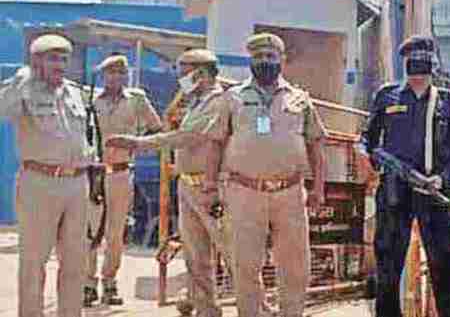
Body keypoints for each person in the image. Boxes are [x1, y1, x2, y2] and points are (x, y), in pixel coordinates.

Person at [206, 33, 326, 317]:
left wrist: (318, 189)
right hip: (244, 192)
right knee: (245, 264)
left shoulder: (300, 99)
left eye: (270, 57)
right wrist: (210, 186)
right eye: (258, 57)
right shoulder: (232, 97)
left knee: (295, 265)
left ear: (282, 60)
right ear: (250, 61)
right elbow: (215, 142)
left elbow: (316, 145)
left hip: (290, 193)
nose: (264, 62)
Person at [107, 49, 232, 317]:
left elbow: (188, 136)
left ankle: (254, 308)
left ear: (200, 73)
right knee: (196, 257)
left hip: (211, 189)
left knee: (231, 252)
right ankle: (207, 310)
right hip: (189, 185)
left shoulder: (218, 101)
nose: (179, 78)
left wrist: (139, 144)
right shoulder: (196, 101)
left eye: (183, 71)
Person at [361, 35, 450, 317]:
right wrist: (370, 158)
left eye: (423, 64)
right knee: (388, 266)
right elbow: (368, 139)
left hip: (434, 192)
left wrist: (442, 179)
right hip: (395, 190)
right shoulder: (387, 96)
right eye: (413, 64)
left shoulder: (447, 101)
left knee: (444, 266)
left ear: (431, 66)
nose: (418, 73)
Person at [0, 34, 92, 317]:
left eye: (64, 58)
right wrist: (21, 80)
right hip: (40, 182)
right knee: (34, 261)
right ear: (36, 61)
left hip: (77, 183)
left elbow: (85, 133)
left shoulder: (75, 91)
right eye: (52, 58)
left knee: (76, 261)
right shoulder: (23, 89)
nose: (60, 64)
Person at [83, 53, 162, 307]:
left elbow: (156, 128)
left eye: (120, 73)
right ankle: (87, 283)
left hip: (120, 171)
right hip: (92, 173)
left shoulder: (136, 100)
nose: (115, 77)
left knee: (116, 232)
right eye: (110, 73)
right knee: (89, 231)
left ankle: (109, 282)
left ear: (126, 75)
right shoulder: (90, 99)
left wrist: (138, 146)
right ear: (103, 75)